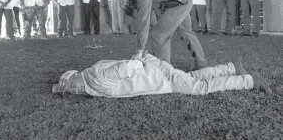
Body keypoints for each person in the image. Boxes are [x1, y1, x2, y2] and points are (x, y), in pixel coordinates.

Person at [106, 0, 207, 70]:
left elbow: (143, 18)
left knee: (158, 36)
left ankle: (165, 72)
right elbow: (147, 16)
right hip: (173, 2)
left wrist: (139, 51)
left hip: (178, 3)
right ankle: (201, 65)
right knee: (183, 32)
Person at [52, 53, 271, 97]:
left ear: (76, 76)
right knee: (193, 78)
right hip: (156, 69)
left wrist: (143, 63)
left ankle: (249, 80)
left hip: (160, 77)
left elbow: (128, 66)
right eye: (70, 90)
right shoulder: (91, 75)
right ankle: (231, 67)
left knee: (198, 88)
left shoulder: (98, 78)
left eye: (72, 85)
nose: (74, 90)